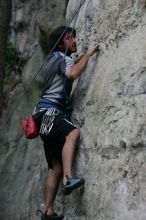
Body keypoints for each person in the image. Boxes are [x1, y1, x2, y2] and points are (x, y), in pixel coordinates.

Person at [34, 26, 99, 220]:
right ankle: (69, 180)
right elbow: (72, 74)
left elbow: (67, 69)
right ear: (62, 41)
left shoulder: (51, 59)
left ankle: (48, 211)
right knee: (73, 133)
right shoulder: (63, 58)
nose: (75, 41)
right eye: (70, 38)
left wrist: (78, 59)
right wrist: (88, 55)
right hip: (51, 112)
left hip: (40, 116)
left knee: (56, 166)